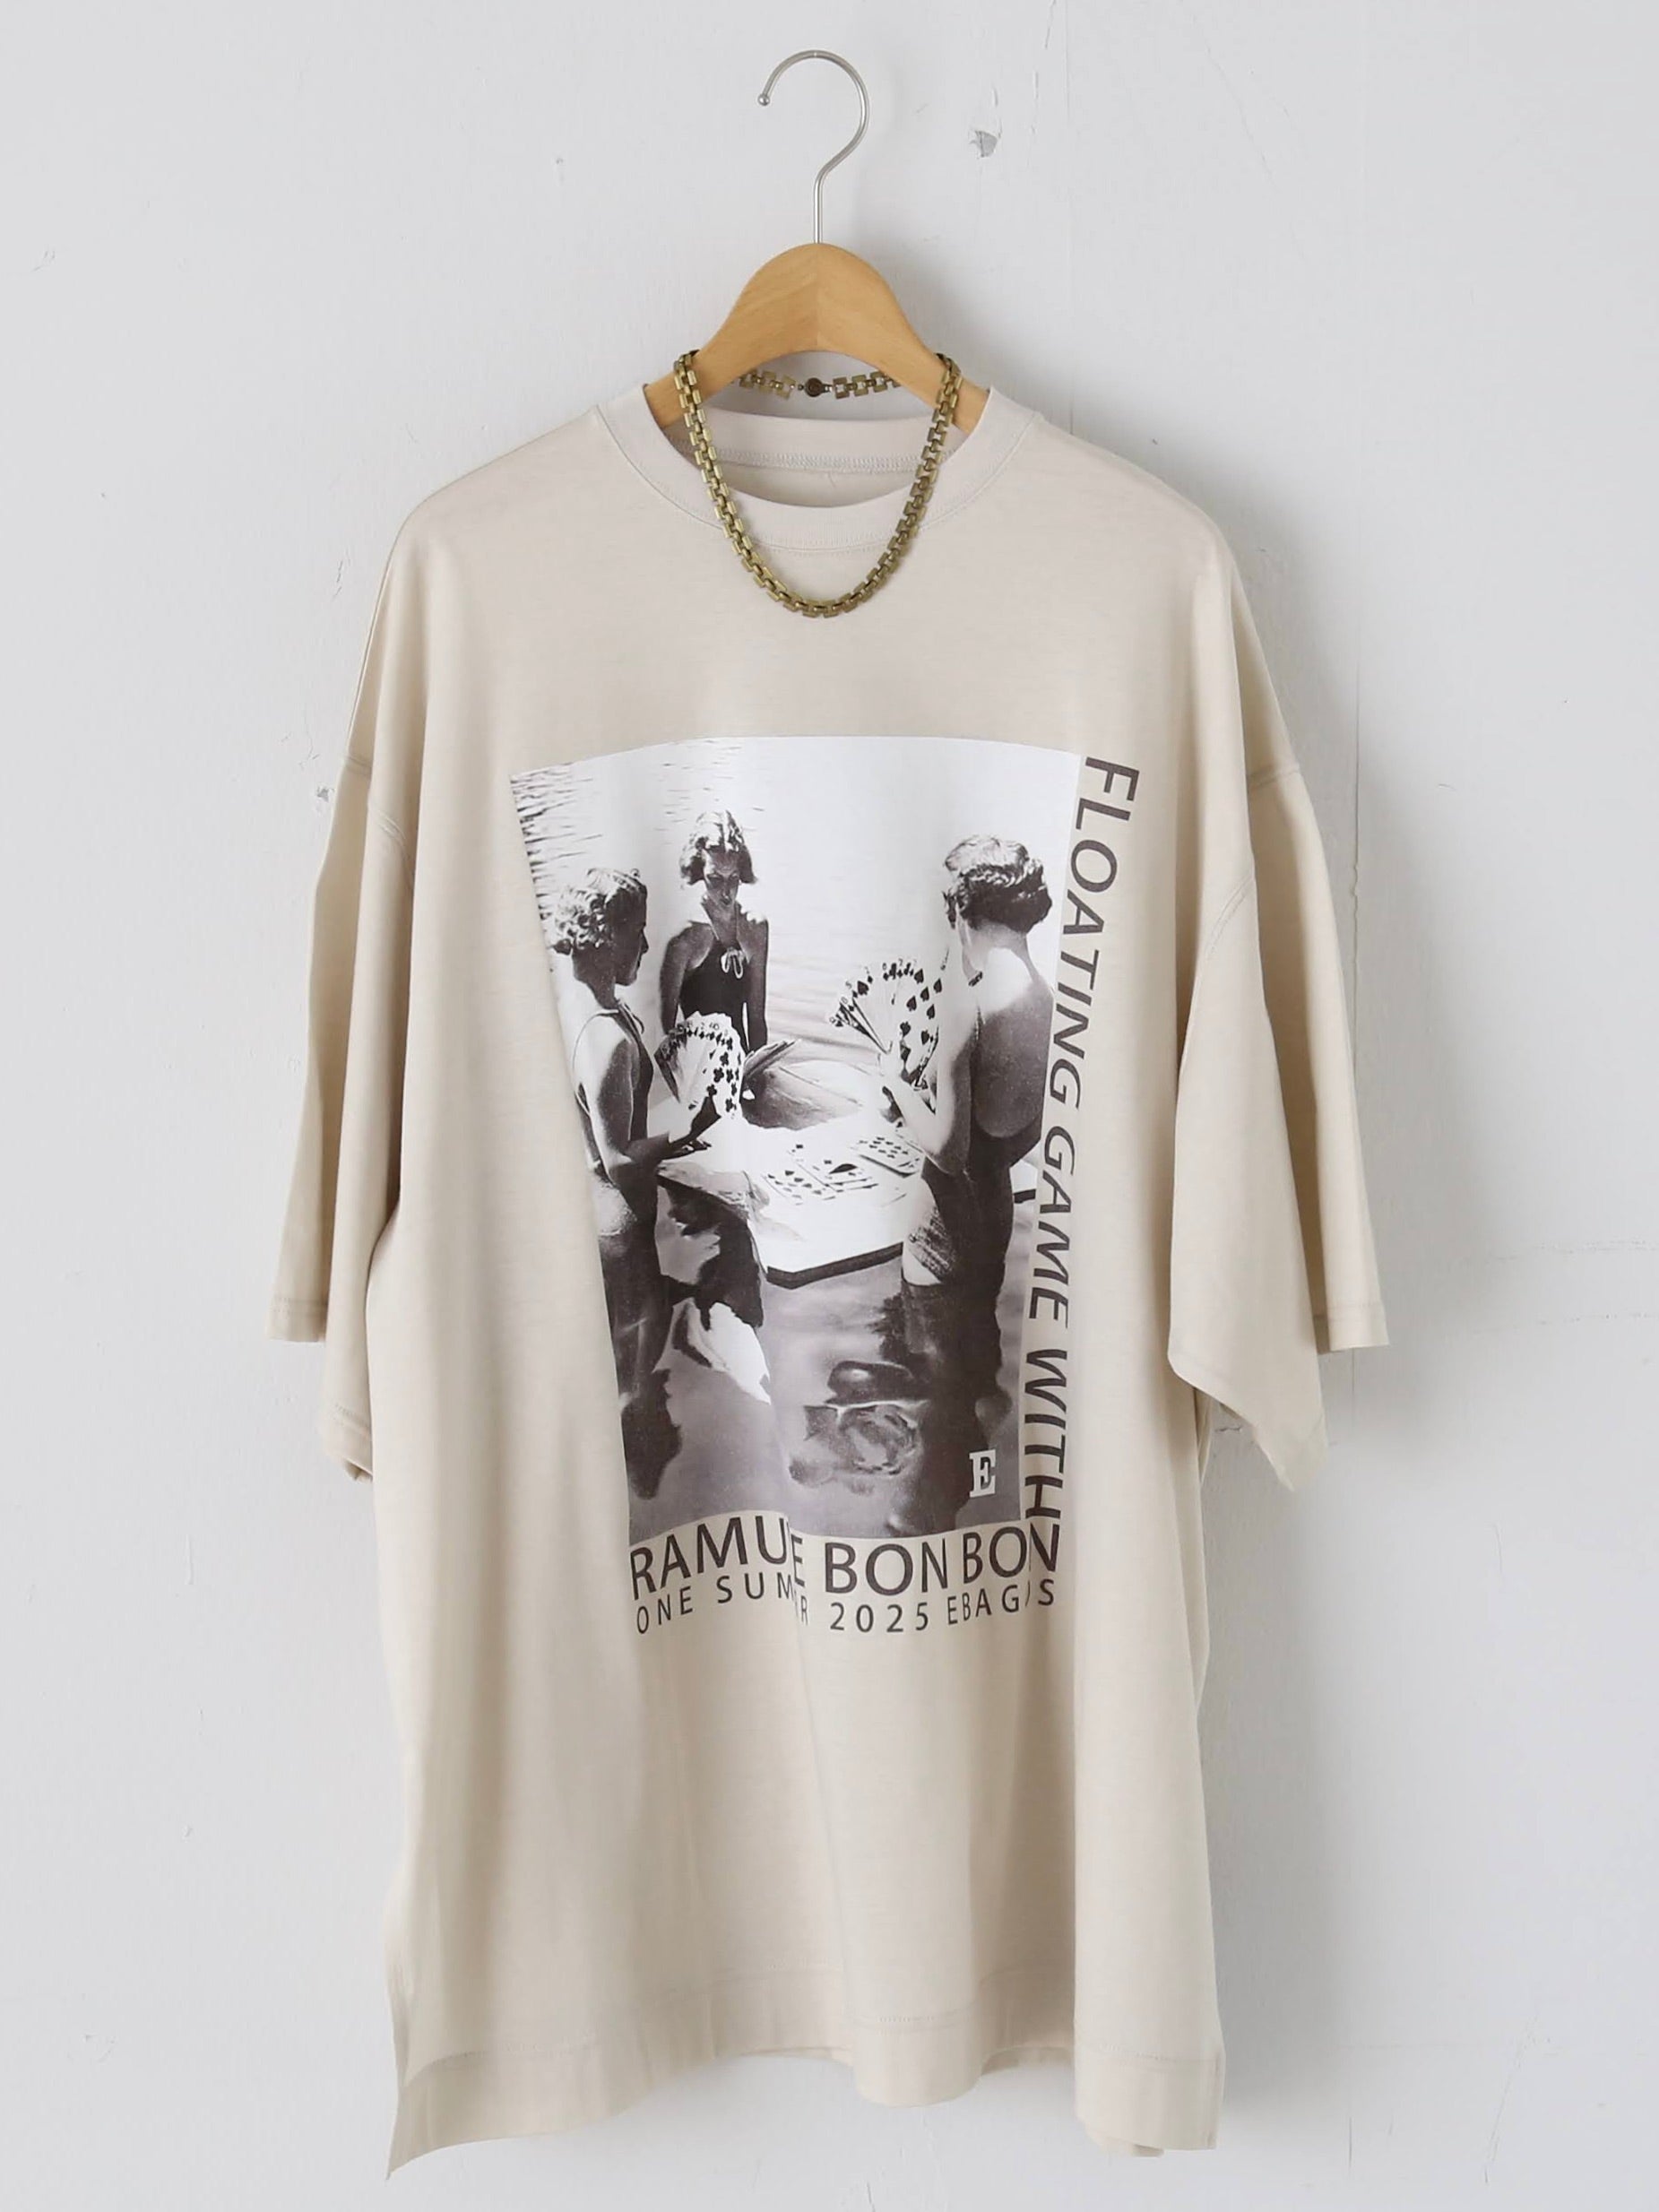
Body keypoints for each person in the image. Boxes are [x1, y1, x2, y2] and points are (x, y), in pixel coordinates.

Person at [876, 835, 1054, 1536]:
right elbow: (1024, 1132)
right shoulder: (1043, 996)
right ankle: (976, 1497)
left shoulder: (969, 1004)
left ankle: (920, 1518)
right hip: (995, 1216)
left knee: (935, 1382)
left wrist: (897, 1084)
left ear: (958, 909)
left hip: (941, 1233)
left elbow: (947, 1154)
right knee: (973, 1359)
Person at [552, 868, 713, 1495]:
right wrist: (689, 1129)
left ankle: (607, 1485)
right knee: (635, 1373)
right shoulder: (608, 1040)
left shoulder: (572, 1010)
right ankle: (629, 1482)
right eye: (637, 934)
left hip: (589, 1218)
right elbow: (619, 1159)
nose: (646, 947)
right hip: (620, 1228)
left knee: (617, 1360)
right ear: (603, 937)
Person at [658, 809, 770, 1053]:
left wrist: (758, 1070)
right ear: (699, 872)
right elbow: (664, 1030)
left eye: (734, 878)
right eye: (715, 879)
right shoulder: (685, 937)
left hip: (744, 1064)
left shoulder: (755, 928)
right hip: (696, 1067)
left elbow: (757, 1021)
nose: (726, 892)